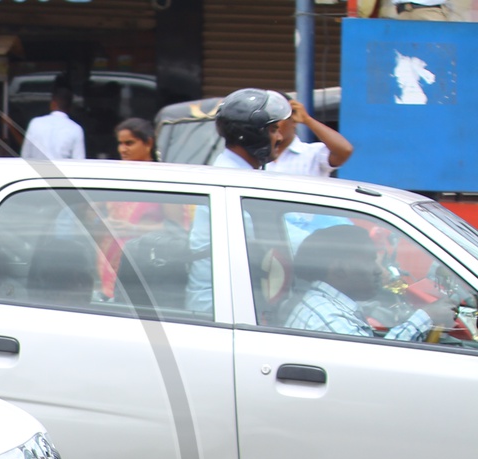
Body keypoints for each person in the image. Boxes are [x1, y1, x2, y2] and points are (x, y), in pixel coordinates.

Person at [186, 87, 288, 314]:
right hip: (217, 308)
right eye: (273, 130)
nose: (280, 138)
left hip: (233, 300)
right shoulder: (234, 182)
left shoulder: (241, 174)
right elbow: (284, 237)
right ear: (253, 135)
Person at [285, 224, 435, 342]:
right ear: (340, 268)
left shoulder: (320, 302)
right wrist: (426, 317)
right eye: (370, 260)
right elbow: (376, 368)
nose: (379, 270)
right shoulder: (327, 318)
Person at [270, 97, 353, 177]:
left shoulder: (313, 153)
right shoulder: (258, 155)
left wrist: (307, 119)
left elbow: (344, 150)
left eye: (277, 118)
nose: (272, 125)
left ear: (293, 121)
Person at [20, 87, 85, 161]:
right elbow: (79, 162)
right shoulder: (76, 129)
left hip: (36, 172)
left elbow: (25, 156)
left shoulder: (35, 123)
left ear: (52, 103)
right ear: (70, 108)